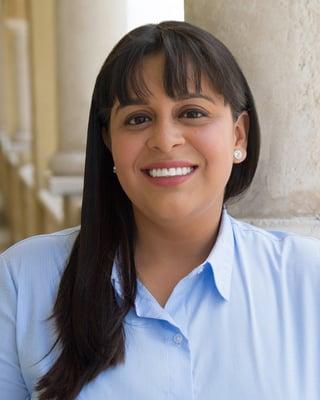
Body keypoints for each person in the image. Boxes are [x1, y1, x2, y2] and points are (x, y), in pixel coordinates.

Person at [0, 20, 319, 400]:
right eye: (138, 119)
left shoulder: (306, 279)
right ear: (109, 143)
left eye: (192, 112)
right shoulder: (25, 279)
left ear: (238, 134)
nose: (165, 140)